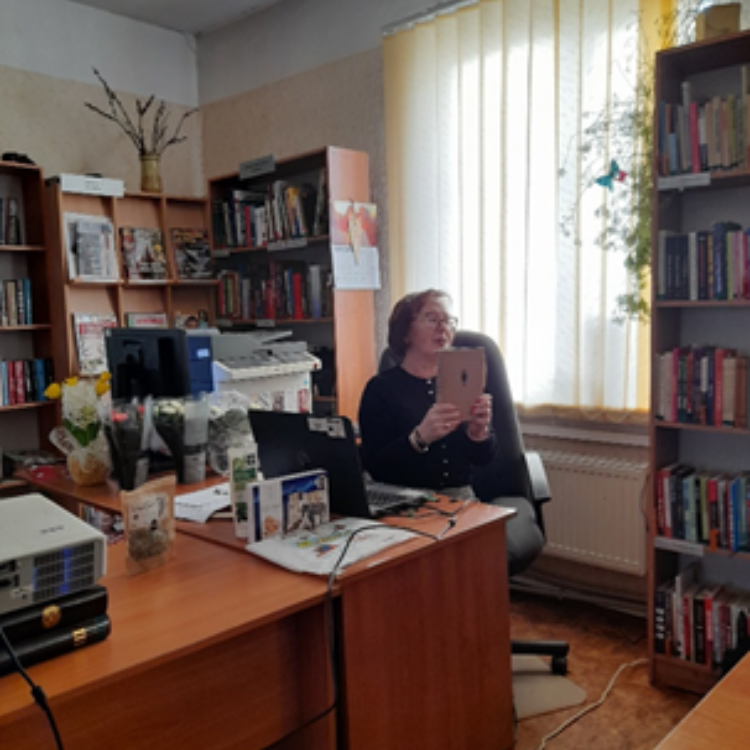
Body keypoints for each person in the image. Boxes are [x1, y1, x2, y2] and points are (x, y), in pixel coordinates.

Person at [358, 289, 494, 498]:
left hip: (460, 499)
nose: (443, 327)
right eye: (432, 319)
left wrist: (478, 433)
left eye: (449, 321)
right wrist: (419, 438)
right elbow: (376, 467)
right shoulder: (380, 389)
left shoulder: (463, 380)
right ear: (405, 332)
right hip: (404, 498)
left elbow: (484, 459)